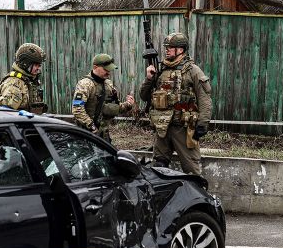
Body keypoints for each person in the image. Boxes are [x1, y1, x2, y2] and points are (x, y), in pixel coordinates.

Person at [139, 32, 212, 175]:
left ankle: (197, 196)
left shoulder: (193, 71)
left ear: (181, 50)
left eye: (171, 47)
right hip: (162, 128)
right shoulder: (160, 70)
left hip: (183, 129)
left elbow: (205, 99)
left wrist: (203, 124)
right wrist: (149, 78)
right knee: (158, 167)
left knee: (191, 169)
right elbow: (144, 96)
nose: (167, 50)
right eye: (166, 47)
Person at [71, 54, 135, 143]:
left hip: (103, 135)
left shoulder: (108, 84)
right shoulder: (85, 84)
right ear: (95, 67)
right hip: (85, 134)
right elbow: (77, 109)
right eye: (105, 69)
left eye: (110, 69)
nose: (108, 72)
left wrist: (128, 105)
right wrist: (92, 127)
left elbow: (114, 107)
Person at [0, 43, 48, 114]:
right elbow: (6, 114)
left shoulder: (28, 81)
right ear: (26, 63)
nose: (39, 68)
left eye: (39, 65)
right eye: (36, 65)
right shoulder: (14, 84)